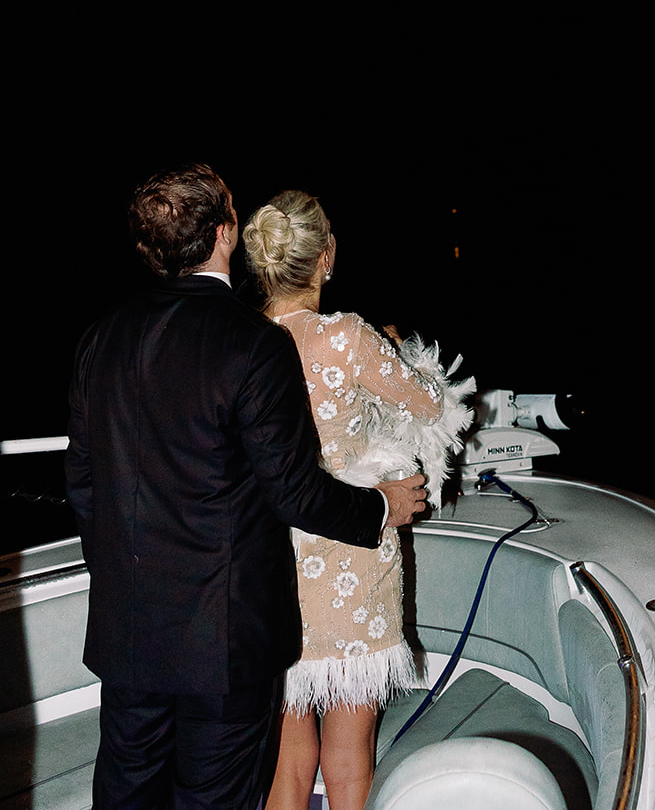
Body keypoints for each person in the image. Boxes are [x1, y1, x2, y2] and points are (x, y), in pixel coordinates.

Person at [66, 163, 427, 810]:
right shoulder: (252, 345)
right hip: (221, 640)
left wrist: (124, 578)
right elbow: (293, 493)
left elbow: (84, 484)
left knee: (126, 790)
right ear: (226, 233)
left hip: (127, 631)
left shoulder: (101, 338)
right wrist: (381, 505)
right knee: (215, 795)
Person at [242, 190, 473, 810]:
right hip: (352, 555)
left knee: (286, 764)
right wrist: (395, 354)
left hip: (270, 557)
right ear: (327, 258)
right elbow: (432, 405)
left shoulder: (238, 342)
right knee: (349, 760)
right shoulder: (349, 338)